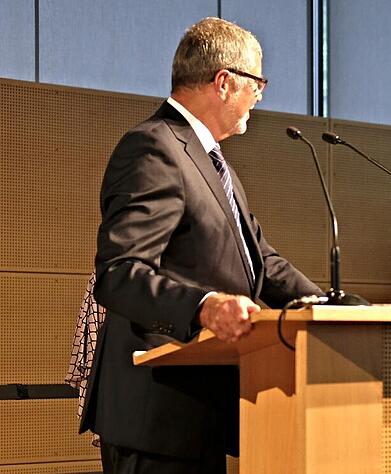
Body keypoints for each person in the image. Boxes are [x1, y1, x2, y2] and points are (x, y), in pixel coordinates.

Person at [79, 17, 322, 473]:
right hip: (157, 416)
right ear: (224, 82)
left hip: (200, 413)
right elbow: (120, 274)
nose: (260, 97)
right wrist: (204, 306)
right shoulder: (153, 147)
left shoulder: (212, 161)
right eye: (258, 83)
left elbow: (261, 264)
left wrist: (332, 307)